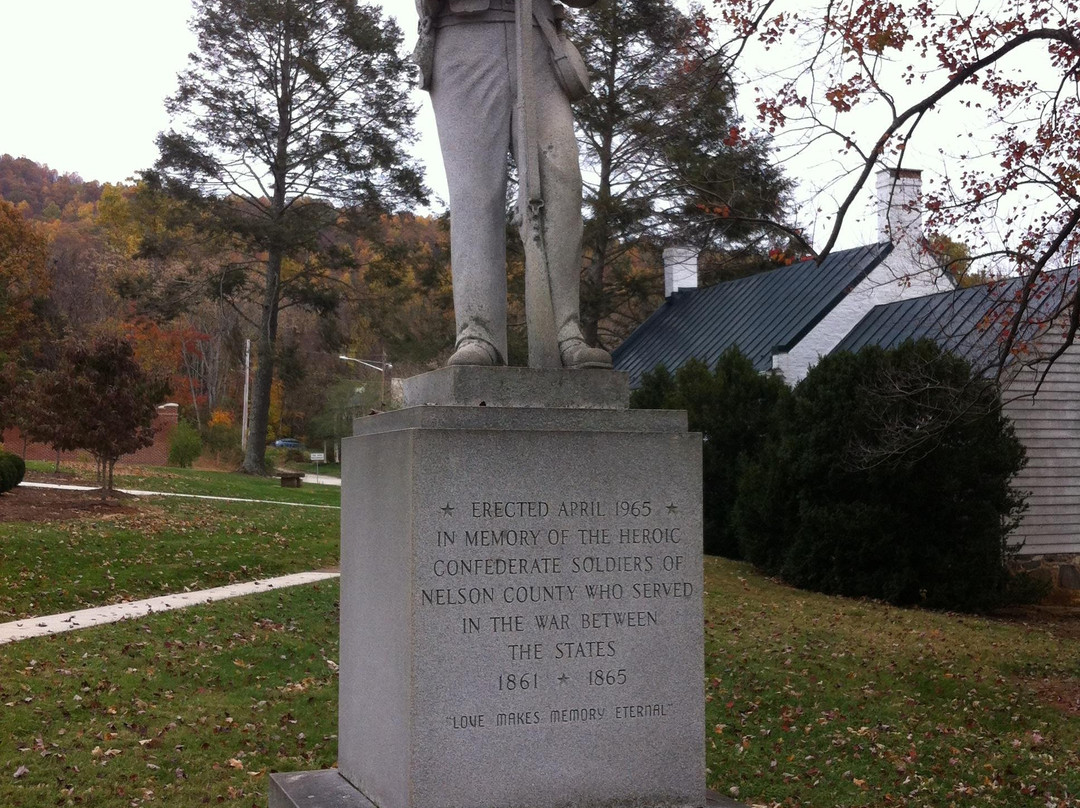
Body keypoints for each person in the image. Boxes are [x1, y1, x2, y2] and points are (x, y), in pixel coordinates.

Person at [414, 0, 613, 369]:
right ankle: (478, 333)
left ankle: (565, 333)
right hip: (463, 39)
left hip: (537, 38)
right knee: (476, 195)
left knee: (563, 185)